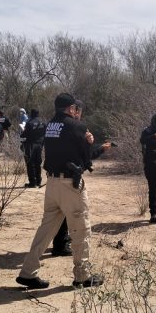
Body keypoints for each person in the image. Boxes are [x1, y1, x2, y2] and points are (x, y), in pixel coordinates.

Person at [16, 93, 103, 289]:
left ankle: (28, 272)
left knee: (46, 229)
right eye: (75, 108)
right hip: (69, 185)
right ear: (71, 108)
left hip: (52, 183)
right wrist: (91, 143)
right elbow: (86, 157)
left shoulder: (50, 126)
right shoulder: (76, 126)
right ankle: (82, 275)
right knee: (81, 229)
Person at [51, 99, 111, 257]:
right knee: (74, 215)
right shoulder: (75, 128)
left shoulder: (57, 125)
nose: (78, 115)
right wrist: (98, 148)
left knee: (57, 215)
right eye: (78, 111)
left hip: (54, 176)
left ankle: (59, 242)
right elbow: (85, 158)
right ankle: (61, 245)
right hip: (69, 177)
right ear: (74, 110)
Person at [21, 108, 46, 188]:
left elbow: (24, 135)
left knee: (30, 163)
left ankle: (32, 182)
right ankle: (38, 181)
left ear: (31, 114)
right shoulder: (43, 123)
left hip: (30, 145)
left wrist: (23, 131)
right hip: (40, 145)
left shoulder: (29, 123)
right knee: (38, 163)